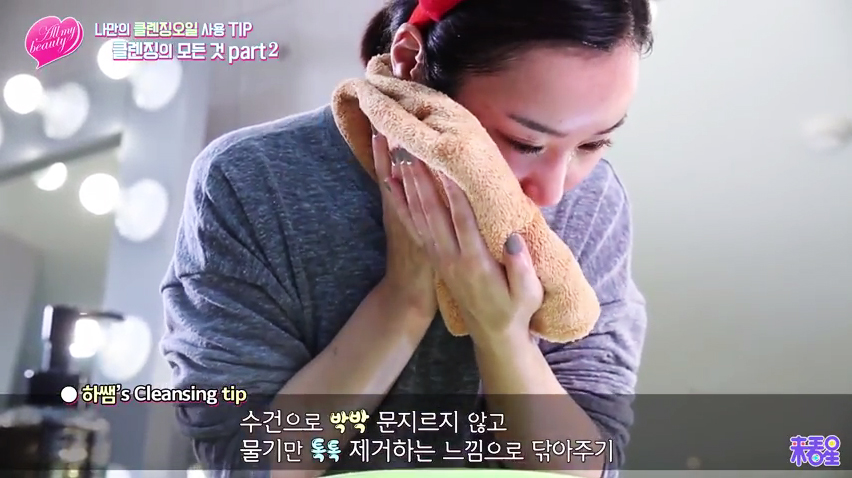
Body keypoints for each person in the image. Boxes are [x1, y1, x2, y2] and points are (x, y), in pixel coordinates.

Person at [160, 0, 652, 477]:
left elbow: (589, 465)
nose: (553, 191)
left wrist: (503, 335)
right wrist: (405, 298)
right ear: (411, 61)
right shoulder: (253, 182)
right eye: (526, 143)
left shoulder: (592, 204)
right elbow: (246, 462)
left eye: (594, 143)